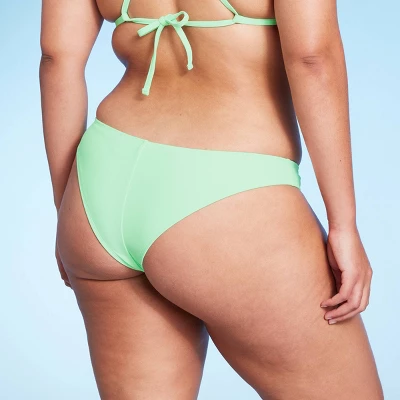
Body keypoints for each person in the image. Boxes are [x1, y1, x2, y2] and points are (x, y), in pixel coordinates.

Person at [39, 0, 384, 398]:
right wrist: (344, 224)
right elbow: (312, 58)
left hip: (101, 181)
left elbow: (56, 58)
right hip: (228, 191)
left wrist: (68, 208)